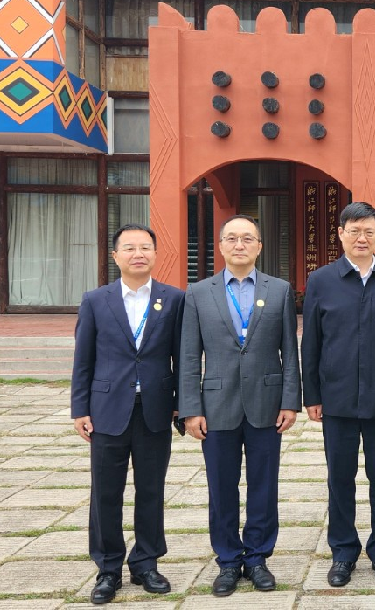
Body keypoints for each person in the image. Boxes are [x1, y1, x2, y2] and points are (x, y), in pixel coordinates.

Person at [179, 214, 301, 597]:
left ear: (260, 246)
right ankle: (229, 560)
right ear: (220, 245)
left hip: (267, 403)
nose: (240, 245)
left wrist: (290, 401)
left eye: (248, 239)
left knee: (264, 486)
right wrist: (189, 408)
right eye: (232, 238)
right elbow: (187, 356)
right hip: (215, 406)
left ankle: (258, 557)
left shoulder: (279, 290)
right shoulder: (198, 293)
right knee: (221, 486)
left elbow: (289, 350)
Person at [71, 223, 184, 604]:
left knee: (151, 489)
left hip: (154, 409)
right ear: (115, 255)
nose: (139, 253)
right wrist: (79, 408)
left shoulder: (173, 299)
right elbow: (83, 360)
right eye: (130, 247)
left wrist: (183, 403)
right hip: (106, 410)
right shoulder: (95, 300)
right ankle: (107, 568)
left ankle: (146, 563)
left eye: (146, 247)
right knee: (105, 492)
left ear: (155, 254)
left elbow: (182, 358)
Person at [301, 202, 375, 588]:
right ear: (341, 234)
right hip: (337, 400)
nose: (361, 238)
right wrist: (311, 393)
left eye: (369, 231)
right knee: (340, 480)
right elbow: (310, 343)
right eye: (354, 231)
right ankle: (343, 552)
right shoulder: (322, 281)